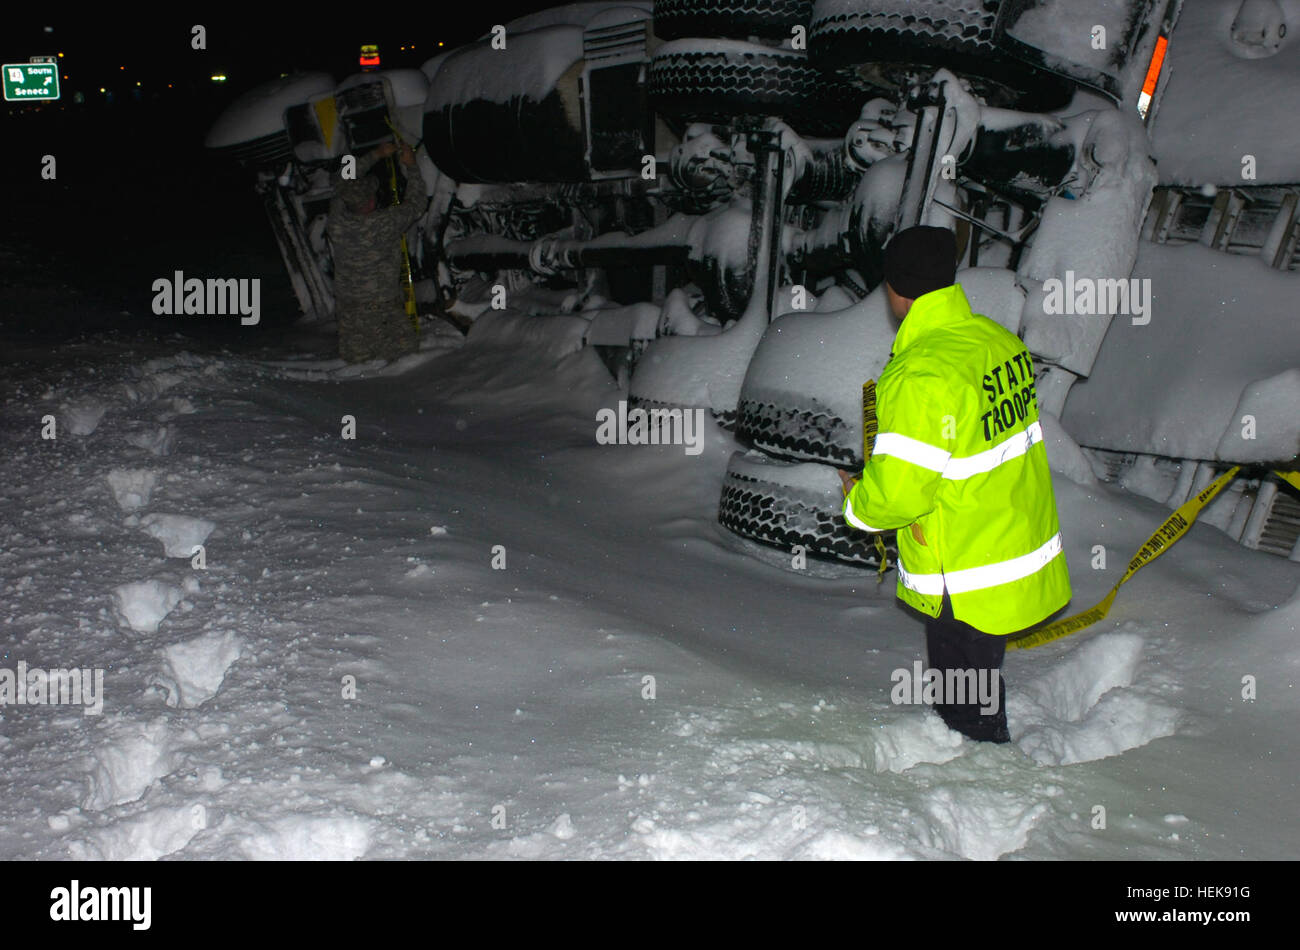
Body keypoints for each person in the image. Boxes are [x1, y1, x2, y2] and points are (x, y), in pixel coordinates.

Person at [838, 225, 1071, 743]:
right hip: (1006, 541)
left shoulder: (922, 373)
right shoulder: (997, 342)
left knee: (964, 701)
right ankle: (986, 754)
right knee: (981, 675)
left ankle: (980, 781)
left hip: (962, 565)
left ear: (896, 292)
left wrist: (858, 503)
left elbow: (900, 492)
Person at [328, 141, 426, 363]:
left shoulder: (336, 222)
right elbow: (417, 204)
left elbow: (341, 183)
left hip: (349, 313)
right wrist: (411, 166)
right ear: (372, 200)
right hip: (384, 312)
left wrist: (375, 154)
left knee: (358, 368)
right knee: (406, 362)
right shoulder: (384, 223)